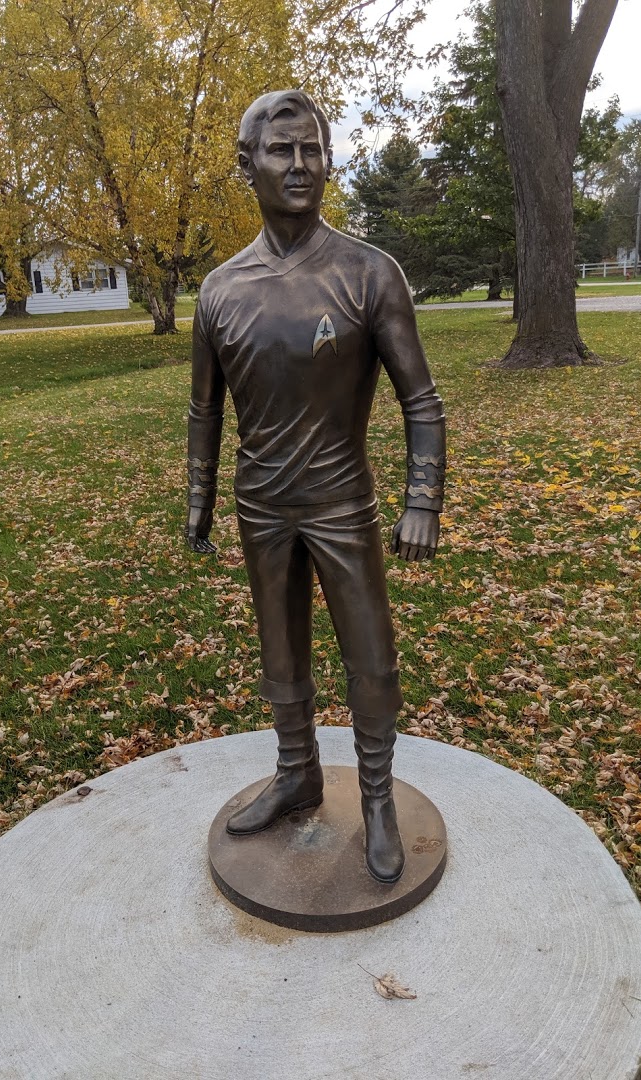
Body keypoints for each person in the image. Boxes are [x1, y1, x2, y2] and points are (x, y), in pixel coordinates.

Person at [186, 90, 445, 884]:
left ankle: (376, 799)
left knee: (371, 657)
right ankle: (296, 772)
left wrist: (422, 499)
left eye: (312, 150)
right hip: (260, 507)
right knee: (280, 652)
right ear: (247, 165)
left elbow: (422, 402)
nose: (299, 166)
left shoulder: (369, 273)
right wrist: (198, 499)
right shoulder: (220, 290)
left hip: (341, 504)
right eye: (280, 151)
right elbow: (204, 410)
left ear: (329, 160)